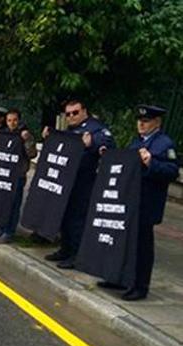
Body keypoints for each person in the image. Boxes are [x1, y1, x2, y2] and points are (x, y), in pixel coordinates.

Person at [96, 105, 179, 301]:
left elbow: (172, 171)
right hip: (129, 201)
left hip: (147, 203)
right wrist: (109, 155)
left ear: (157, 123)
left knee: (142, 247)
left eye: (146, 121)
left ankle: (140, 286)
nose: (141, 124)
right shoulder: (137, 141)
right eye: (139, 121)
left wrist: (151, 163)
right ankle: (119, 278)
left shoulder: (164, 144)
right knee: (124, 243)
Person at [43, 100, 115, 269]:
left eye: (75, 112)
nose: (71, 117)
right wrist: (50, 137)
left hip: (85, 182)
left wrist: (92, 143)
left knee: (77, 219)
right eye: (68, 114)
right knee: (65, 216)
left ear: (84, 111)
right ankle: (65, 249)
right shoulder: (70, 131)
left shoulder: (96, 128)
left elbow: (108, 143)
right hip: (68, 180)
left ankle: (77, 255)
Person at [0, 109, 37, 244]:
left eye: (15, 120)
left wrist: (27, 140)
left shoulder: (24, 135)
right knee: (2, 202)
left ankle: (9, 232)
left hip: (17, 175)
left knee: (14, 204)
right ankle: (1, 227)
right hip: (4, 174)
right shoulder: (4, 134)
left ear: (19, 121)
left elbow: (32, 154)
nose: (12, 123)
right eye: (9, 120)